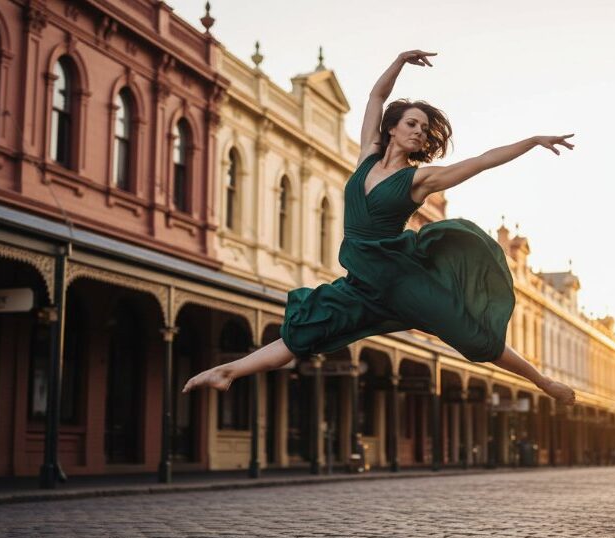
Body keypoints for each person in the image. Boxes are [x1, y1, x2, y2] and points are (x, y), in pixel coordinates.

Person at [183, 50, 576, 407]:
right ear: (393, 128)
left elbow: (482, 160)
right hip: (362, 283)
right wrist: (400, 60)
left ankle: (543, 382)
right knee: (306, 328)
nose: (419, 131)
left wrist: (532, 141)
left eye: (424, 129)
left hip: (402, 280)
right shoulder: (367, 155)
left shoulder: (420, 180)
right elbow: (375, 98)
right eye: (412, 123)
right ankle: (228, 372)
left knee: (474, 338)